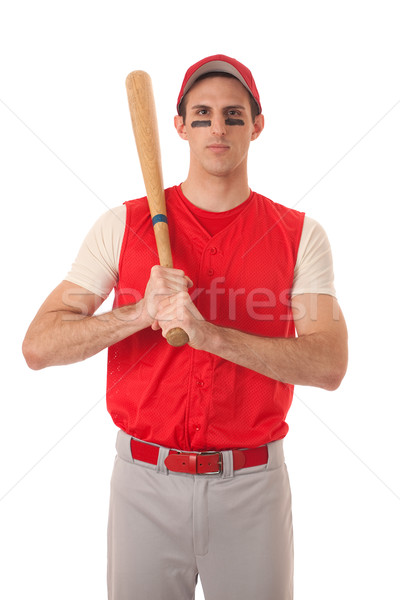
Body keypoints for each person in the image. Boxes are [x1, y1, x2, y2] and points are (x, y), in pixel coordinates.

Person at [22, 54, 348, 599]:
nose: (217, 128)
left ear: (257, 126)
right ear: (179, 127)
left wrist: (210, 335)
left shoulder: (299, 235)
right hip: (143, 482)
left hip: (252, 487)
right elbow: (38, 346)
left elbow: (329, 364)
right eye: (201, 114)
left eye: (233, 115)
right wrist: (138, 314)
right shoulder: (121, 225)